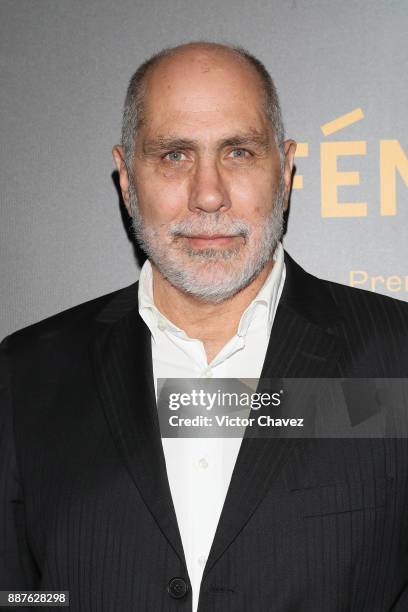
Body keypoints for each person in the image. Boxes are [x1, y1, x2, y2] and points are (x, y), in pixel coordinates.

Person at [1, 41, 408, 612]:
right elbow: (16, 593)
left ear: (286, 169)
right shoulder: (27, 375)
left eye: (239, 152)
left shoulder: (396, 359)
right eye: (174, 155)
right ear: (125, 177)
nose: (209, 194)